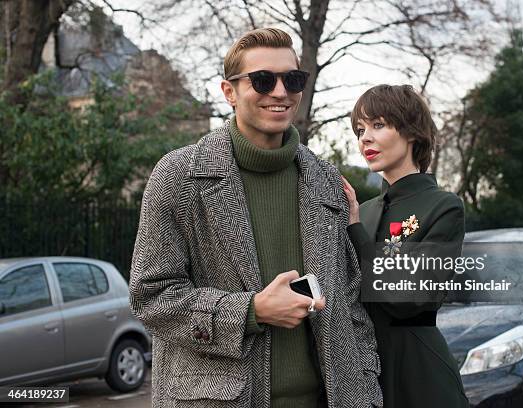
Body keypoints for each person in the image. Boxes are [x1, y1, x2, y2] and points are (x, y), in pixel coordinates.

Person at [129, 28, 382, 408]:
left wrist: (366, 388)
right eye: (263, 80)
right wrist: (251, 311)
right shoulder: (180, 175)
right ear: (229, 92)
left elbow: (349, 302)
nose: (280, 92)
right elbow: (151, 298)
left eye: (292, 79)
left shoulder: (326, 179)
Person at [342, 84, 469, 408]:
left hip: (421, 375)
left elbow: (408, 296)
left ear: (412, 132)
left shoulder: (443, 207)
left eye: (378, 125)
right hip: (363, 376)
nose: (364, 138)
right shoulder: (364, 210)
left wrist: (356, 231)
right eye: (360, 129)